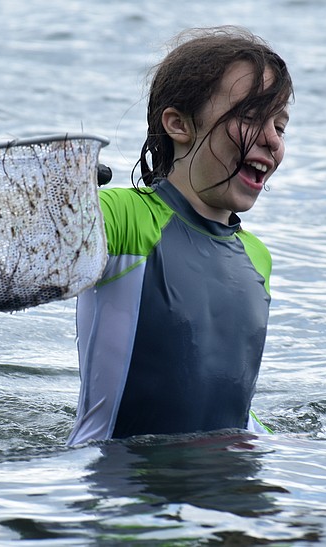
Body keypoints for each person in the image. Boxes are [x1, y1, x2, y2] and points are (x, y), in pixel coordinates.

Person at [67, 26, 293, 445]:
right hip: (122, 491)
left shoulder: (256, 258)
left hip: (230, 494)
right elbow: (31, 251)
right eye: (249, 117)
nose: (272, 140)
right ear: (178, 124)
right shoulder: (123, 217)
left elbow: (228, 403)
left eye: (280, 126)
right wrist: (63, 201)